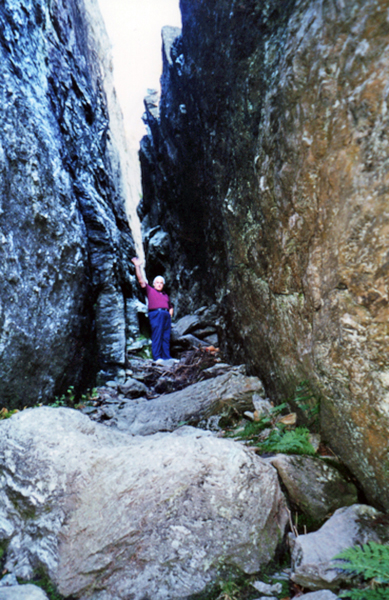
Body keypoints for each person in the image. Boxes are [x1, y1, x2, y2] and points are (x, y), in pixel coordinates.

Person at [131, 257, 174, 361]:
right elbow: (141, 280)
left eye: (161, 283)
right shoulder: (150, 291)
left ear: (163, 285)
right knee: (157, 335)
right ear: (154, 284)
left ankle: (167, 357)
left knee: (166, 337)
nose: (159, 284)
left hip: (165, 315)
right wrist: (137, 266)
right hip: (156, 314)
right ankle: (157, 357)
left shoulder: (165, 295)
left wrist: (169, 315)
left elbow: (171, 306)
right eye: (157, 282)